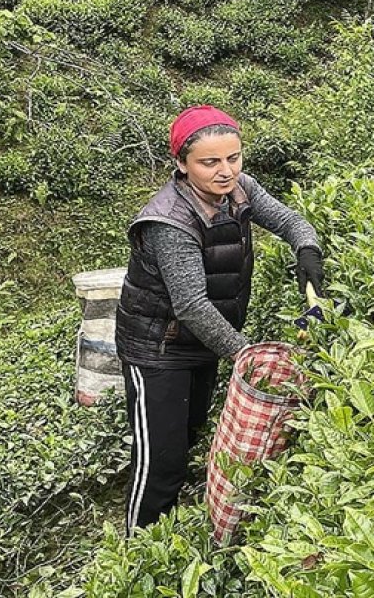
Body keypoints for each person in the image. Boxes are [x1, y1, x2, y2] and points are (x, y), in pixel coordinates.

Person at [114, 105, 324, 533]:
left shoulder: (241, 189)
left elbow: (287, 219)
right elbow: (191, 305)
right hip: (158, 348)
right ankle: (137, 546)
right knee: (161, 463)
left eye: (233, 157)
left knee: (189, 432)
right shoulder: (169, 222)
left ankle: (171, 531)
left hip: (203, 341)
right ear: (182, 164)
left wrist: (307, 249)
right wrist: (246, 354)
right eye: (209, 162)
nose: (225, 171)